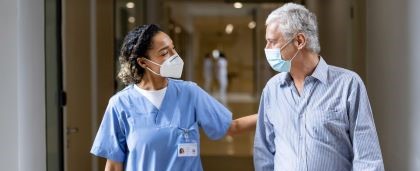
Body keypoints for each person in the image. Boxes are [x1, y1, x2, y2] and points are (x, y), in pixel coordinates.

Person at [90, 24, 257, 171]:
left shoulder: (189, 93)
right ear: (143, 62)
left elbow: (232, 127)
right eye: (164, 53)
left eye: (173, 48)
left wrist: (273, 111)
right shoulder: (120, 105)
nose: (174, 56)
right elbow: (113, 165)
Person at [253, 3, 384, 171]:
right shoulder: (272, 89)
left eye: (272, 42)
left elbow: (368, 159)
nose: (267, 49)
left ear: (299, 41)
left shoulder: (348, 85)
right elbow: (264, 153)